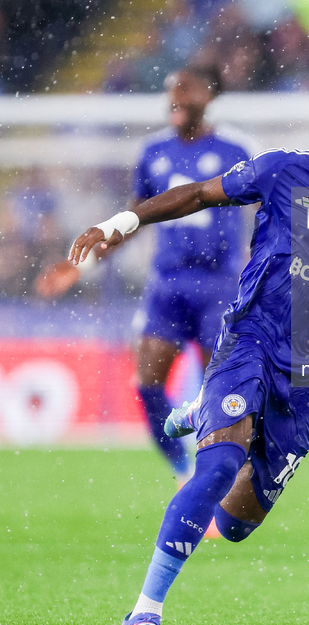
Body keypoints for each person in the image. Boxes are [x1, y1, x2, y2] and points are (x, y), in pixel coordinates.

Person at [68, 72, 309, 625]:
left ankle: (203, 411)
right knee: (213, 469)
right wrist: (121, 222)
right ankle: (143, 613)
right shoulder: (284, 168)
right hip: (250, 340)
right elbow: (197, 193)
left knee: (235, 525)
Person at [35, 64, 252, 489]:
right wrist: (81, 265)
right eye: (170, 91)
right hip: (167, 284)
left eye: (185, 90)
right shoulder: (154, 151)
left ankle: (221, 479)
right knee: (148, 383)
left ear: (208, 95)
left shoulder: (237, 149)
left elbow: (267, 210)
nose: (175, 98)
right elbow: (133, 219)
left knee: (218, 391)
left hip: (218, 285)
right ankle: (184, 469)